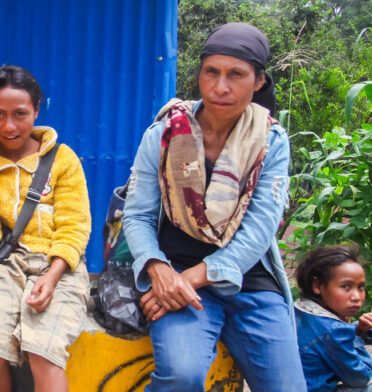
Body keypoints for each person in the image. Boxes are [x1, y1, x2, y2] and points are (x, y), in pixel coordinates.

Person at [121, 22, 305, 391]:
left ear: (258, 81)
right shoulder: (164, 134)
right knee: (182, 375)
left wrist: (188, 280)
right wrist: (158, 270)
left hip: (248, 282)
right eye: (212, 73)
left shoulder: (270, 141)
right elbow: (138, 215)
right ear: (200, 75)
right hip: (176, 271)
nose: (220, 87)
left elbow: (259, 229)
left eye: (236, 75)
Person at [0, 65, 91, 392]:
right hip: (8, 266)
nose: (9, 126)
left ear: (37, 109)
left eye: (20, 114)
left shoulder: (63, 161)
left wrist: (51, 277)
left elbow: (74, 227)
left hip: (59, 267)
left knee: (43, 352)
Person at [294, 246, 372, 392]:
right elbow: (361, 377)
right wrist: (356, 335)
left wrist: (357, 329)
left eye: (361, 287)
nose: (356, 297)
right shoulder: (334, 331)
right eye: (345, 286)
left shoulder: (297, 310)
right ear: (317, 285)